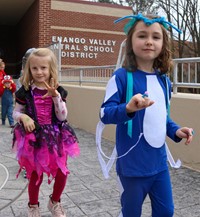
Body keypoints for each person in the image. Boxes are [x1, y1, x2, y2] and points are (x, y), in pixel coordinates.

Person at [98, 13, 194, 217]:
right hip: (132, 168)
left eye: (156, 37)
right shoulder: (121, 77)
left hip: (159, 166)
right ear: (131, 41)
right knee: (131, 213)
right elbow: (104, 113)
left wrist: (177, 131)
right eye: (142, 36)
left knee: (166, 212)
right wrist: (129, 108)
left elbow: (162, 118)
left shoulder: (164, 81)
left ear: (163, 44)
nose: (149, 41)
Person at [12, 48, 80, 217]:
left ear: (51, 69)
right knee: (35, 176)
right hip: (34, 137)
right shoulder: (25, 92)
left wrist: (56, 97)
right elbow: (15, 112)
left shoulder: (59, 90)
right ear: (29, 69)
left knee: (62, 173)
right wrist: (23, 117)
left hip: (56, 136)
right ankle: (33, 206)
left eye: (43, 68)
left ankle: (55, 202)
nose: (39, 72)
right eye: (34, 68)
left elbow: (62, 116)